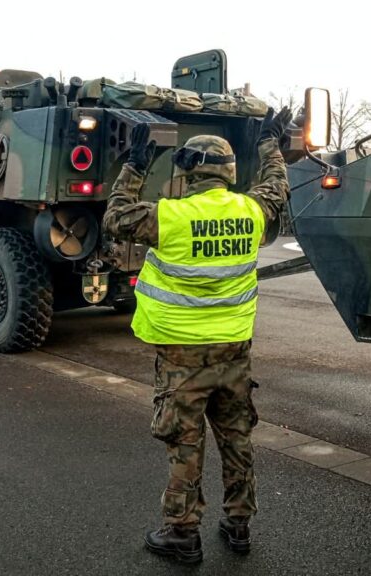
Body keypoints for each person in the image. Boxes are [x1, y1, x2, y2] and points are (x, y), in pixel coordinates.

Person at [103, 107, 293, 564]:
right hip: (234, 352)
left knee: (185, 443)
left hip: (182, 356)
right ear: (228, 172)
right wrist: (270, 143)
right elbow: (276, 186)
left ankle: (182, 532)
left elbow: (116, 216)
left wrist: (135, 165)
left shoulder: (169, 218)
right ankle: (239, 524)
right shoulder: (251, 212)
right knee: (237, 437)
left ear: (188, 172)